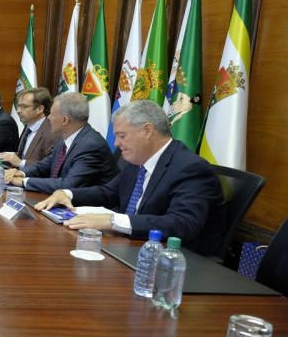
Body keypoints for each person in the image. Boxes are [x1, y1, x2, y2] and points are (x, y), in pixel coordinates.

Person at [35, 100, 225, 254]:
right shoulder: (137, 161)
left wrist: (112, 221)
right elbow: (108, 192)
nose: (116, 143)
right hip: (130, 248)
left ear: (147, 130)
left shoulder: (190, 168)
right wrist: (68, 194)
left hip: (171, 261)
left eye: (122, 136)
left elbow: (182, 224)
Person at [4, 92, 117, 193]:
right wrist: (21, 173)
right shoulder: (66, 137)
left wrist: (24, 182)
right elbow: (45, 165)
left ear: (65, 120)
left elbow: (68, 185)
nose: (48, 117)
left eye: (52, 114)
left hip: (90, 209)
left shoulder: (90, 145)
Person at [0, 87, 59, 168]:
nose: (18, 111)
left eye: (24, 107)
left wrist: (21, 163)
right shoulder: (28, 126)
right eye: (18, 106)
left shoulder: (52, 132)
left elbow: (49, 166)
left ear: (40, 109)